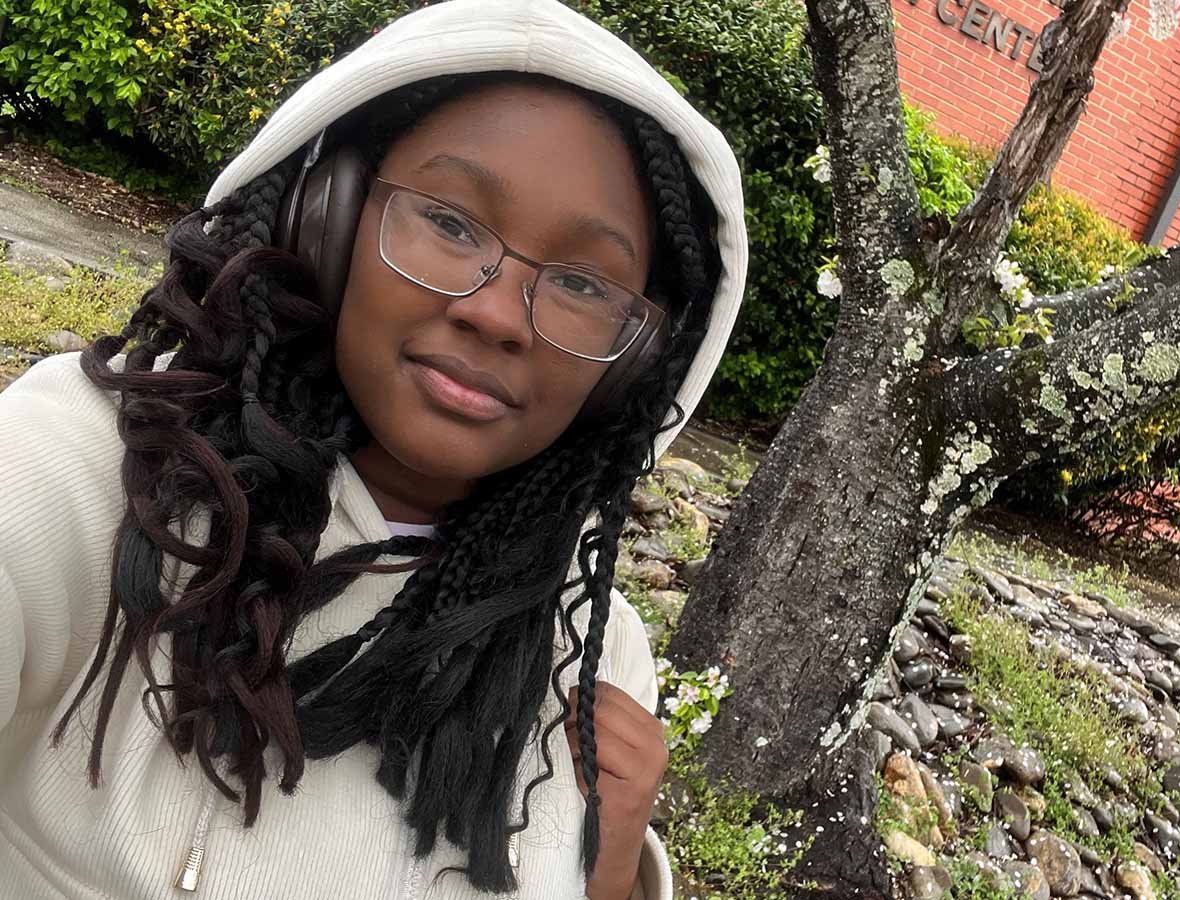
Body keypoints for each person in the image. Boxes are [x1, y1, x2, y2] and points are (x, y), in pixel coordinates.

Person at [0, 1, 747, 898]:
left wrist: (616, 874)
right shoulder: (80, 469)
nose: (497, 314)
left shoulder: (595, 660)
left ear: (632, 365)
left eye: (582, 282)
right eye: (452, 222)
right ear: (331, 215)